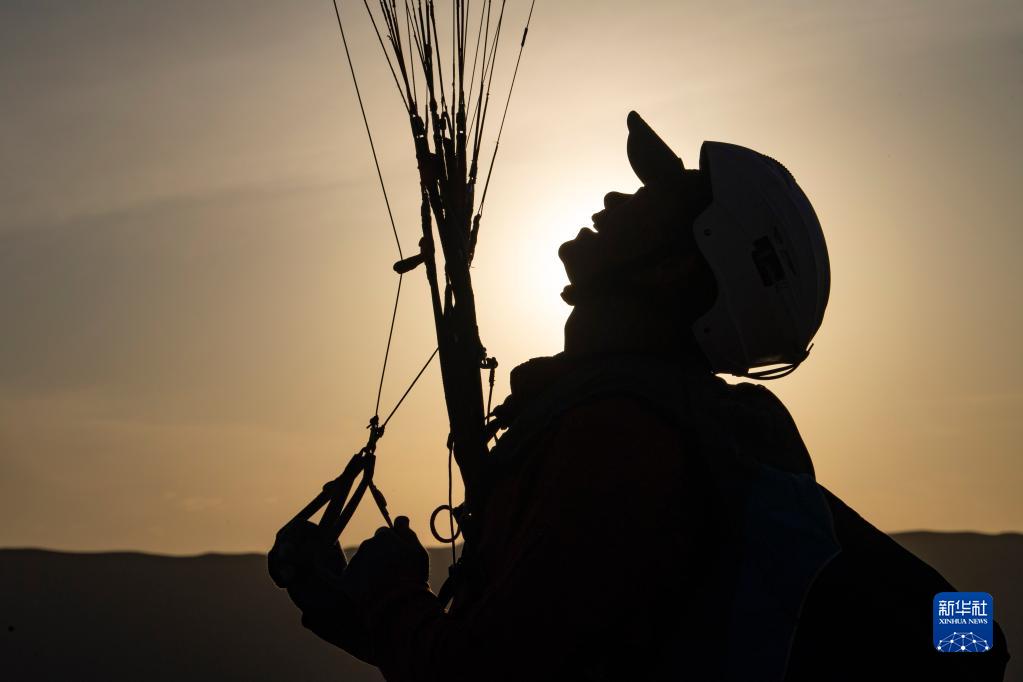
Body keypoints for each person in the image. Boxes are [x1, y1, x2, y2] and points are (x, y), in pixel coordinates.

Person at [272, 112, 1010, 680]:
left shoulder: (622, 442)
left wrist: (388, 595)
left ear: (681, 268)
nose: (616, 195)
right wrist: (364, 610)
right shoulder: (648, 426)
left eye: (660, 195)